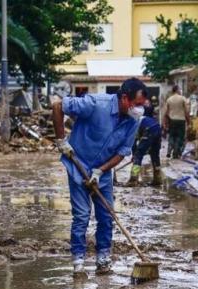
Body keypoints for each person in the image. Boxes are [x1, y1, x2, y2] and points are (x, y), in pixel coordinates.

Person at [53, 78, 147, 277]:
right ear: (124, 98)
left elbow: (122, 152)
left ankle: (103, 259)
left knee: (106, 216)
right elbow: (58, 106)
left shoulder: (133, 121)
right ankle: (78, 262)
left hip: (102, 173)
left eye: (141, 105)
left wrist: (100, 171)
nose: (139, 109)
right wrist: (61, 140)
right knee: (81, 216)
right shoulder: (96, 104)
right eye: (136, 104)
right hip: (77, 165)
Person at [127, 99, 163, 186]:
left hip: (149, 129)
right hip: (157, 128)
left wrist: (134, 156)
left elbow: (133, 142)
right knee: (155, 154)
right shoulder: (142, 118)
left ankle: (133, 179)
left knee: (138, 155)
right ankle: (158, 178)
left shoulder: (133, 123)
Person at [163, 85, 190, 159]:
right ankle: (176, 152)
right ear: (177, 90)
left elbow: (165, 112)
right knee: (179, 137)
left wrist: (164, 123)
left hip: (172, 120)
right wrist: (188, 121)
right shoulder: (182, 98)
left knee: (172, 136)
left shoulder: (169, 99)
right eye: (180, 89)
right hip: (181, 120)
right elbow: (186, 111)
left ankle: (169, 151)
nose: (180, 90)